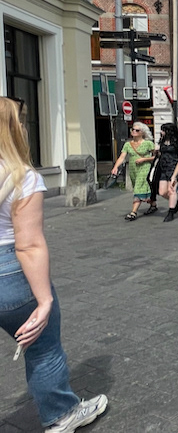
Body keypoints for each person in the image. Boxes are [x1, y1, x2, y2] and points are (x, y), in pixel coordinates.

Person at [0, 97, 109, 432]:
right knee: (43, 349)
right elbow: (29, 244)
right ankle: (61, 415)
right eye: (21, 121)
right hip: (10, 274)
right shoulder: (22, 178)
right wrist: (44, 299)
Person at [110, 121, 156, 221]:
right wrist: (115, 167)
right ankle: (153, 204)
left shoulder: (148, 144)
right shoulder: (128, 144)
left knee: (138, 189)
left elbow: (156, 157)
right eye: (133, 129)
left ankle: (133, 212)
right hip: (133, 169)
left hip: (145, 168)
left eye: (137, 130)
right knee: (141, 188)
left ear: (142, 132)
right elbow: (122, 157)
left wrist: (144, 159)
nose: (134, 131)